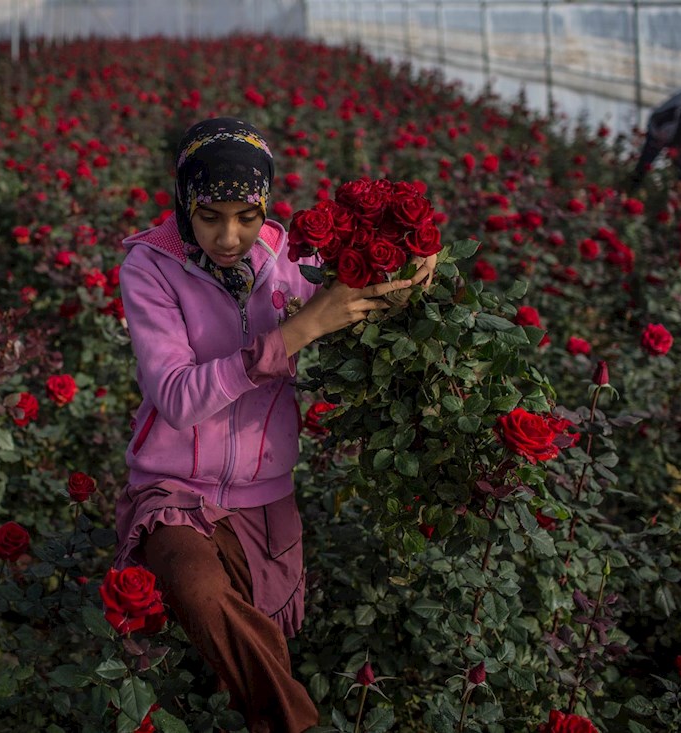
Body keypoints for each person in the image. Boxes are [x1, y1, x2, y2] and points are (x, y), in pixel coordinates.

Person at [112, 117, 436, 733]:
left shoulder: (287, 259)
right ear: (184, 203)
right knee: (200, 592)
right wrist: (300, 329)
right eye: (209, 216)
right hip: (175, 489)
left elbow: (378, 275)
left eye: (245, 214)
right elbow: (177, 397)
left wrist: (423, 255)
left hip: (267, 498)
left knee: (259, 653)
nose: (229, 236)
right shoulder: (151, 270)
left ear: (264, 205)